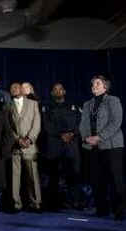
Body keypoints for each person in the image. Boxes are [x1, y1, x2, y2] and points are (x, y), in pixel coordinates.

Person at [79, 75, 125, 220]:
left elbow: (116, 122)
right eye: (93, 83)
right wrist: (86, 138)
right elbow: (83, 124)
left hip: (112, 146)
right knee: (97, 179)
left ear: (105, 86)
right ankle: (102, 209)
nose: (94, 85)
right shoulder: (87, 104)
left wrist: (99, 137)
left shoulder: (113, 100)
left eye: (97, 83)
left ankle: (120, 211)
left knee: (115, 180)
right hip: (93, 147)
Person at [42, 83, 82, 211]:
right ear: (52, 93)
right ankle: (54, 204)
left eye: (60, 89)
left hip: (71, 144)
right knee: (53, 176)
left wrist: (72, 133)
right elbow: (46, 125)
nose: (58, 91)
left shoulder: (74, 106)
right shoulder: (46, 107)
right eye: (55, 90)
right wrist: (60, 134)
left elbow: (80, 121)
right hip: (54, 144)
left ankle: (75, 202)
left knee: (74, 174)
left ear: (64, 92)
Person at [8, 82, 42, 213]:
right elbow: (9, 126)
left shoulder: (33, 104)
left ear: (22, 89)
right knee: (15, 177)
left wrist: (29, 139)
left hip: (30, 145)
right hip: (16, 146)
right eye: (12, 88)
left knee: (33, 176)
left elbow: (37, 123)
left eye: (16, 87)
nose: (14, 89)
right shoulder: (8, 106)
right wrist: (17, 139)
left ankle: (36, 203)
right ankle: (16, 204)